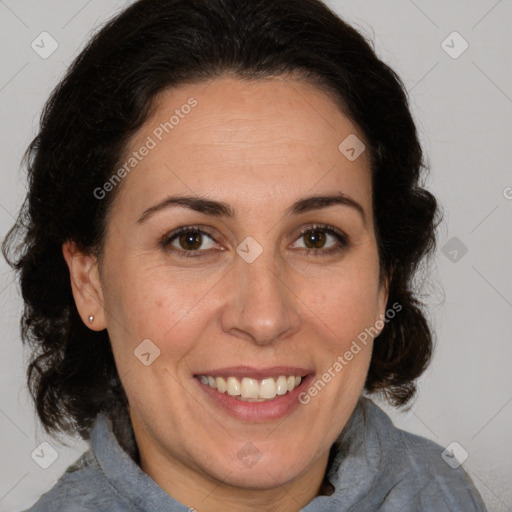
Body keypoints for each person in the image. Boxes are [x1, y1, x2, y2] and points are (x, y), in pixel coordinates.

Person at [3, 0, 488, 510]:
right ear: (89, 281)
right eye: (191, 240)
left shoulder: (446, 492)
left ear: (383, 278)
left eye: (317, 238)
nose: (264, 317)